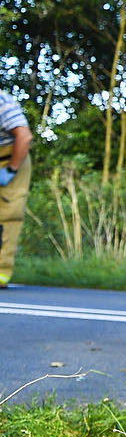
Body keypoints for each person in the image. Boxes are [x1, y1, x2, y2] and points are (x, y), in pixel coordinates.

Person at [0, 91, 30, 289]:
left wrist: (10, 169)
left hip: (11, 158)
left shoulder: (2, 102)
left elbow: (25, 137)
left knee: (7, 216)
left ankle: (1, 273)